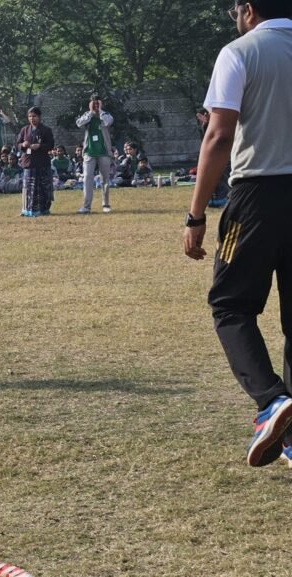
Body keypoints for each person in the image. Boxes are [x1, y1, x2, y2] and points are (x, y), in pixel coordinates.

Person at [182, 0, 292, 468]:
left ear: (247, 9)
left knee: (229, 306)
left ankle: (271, 400)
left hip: (256, 197)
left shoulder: (239, 52)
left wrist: (196, 213)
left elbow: (219, 135)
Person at [76, 94, 115, 213]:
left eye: (98, 103)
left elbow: (108, 122)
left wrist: (100, 112)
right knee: (87, 177)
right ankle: (86, 206)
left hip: (104, 151)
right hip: (89, 152)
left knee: (105, 179)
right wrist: (91, 113)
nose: (96, 105)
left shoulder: (106, 115)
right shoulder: (87, 115)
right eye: (94, 103)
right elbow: (79, 123)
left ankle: (106, 204)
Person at [16, 107, 55, 217]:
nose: (32, 118)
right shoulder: (24, 130)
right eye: (30, 116)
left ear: (39, 117)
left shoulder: (46, 130)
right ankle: (27, 210)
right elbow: (18, 143)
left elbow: (51, 145)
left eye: (34, 116)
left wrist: (40, 146)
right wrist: (23, 145)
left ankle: (43, 209)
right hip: (29, 162)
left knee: (43, 187)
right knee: (29, 188)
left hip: (42, 162)